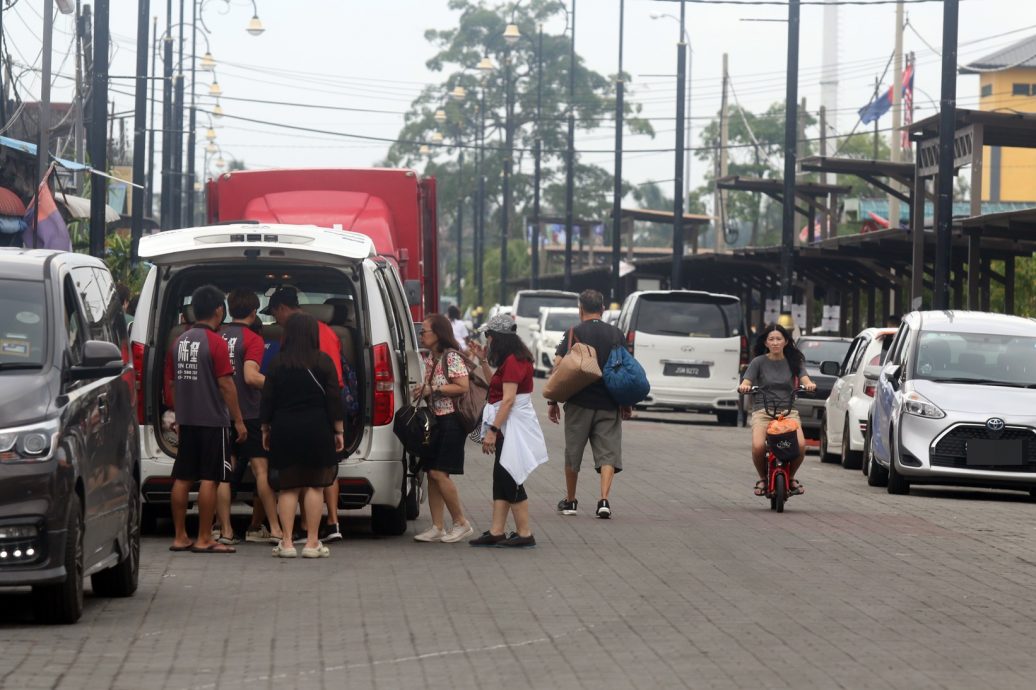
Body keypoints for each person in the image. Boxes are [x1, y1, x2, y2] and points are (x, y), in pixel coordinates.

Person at [165, 285, 247, 554]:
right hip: (212, 421)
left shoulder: (180, 341)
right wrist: (238, 421)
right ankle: (203, 538)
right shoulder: (216, 343)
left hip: (186, 420)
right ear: (219, 310)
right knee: (210, 479)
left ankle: (180, 536)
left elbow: (173, 383)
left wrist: (178, 414)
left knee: (183, 477)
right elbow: (226, 385)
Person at [261, 287, 345, 543]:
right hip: (318, 426)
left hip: (285, 427)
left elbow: (268, 398)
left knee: (287, 487)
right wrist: (338, 430)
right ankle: (313, 541)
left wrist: (265, 428)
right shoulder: (323, 360)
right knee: (316, 484)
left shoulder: (278, 362)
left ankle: (286, 542)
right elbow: (334, 395)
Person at [548, 289, 630, 519]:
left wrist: (553, 400)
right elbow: (624, 368)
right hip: (609, 403)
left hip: (579, 403)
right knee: (608, 454)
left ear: (580, 308)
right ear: (602, 309)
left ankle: (571, 501)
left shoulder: (574, 332)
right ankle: (603, 500)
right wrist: (626, 402)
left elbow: (558, 365)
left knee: (573, 453)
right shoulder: (616, 334)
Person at [467, 315, 547, 547]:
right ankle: (497, 530)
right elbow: (497, 387)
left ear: (497, 337)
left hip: (511, 425)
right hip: (509, 424)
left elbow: (508, 400)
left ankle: (525, 533)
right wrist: (483, 361)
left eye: (488, 336)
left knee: (510, 475)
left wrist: (493, 430)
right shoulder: (513, 359)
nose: (487, 340)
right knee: (501, 476)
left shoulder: (513, 361)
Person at [215, 289, 283, 546]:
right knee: (261, 471)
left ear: (229, 310)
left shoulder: (217, 336)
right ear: (255, 312)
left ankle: (225, 531)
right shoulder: (252, 339)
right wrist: (279, 385)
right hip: (251, 413)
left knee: (224, 473)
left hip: (221, 414)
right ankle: (275, 528)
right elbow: (251, 377)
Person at [411, 313, 474, 543]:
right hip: (437, 419)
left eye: (424, 331)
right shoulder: (431, 357)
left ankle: (461, 522)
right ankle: (437, 526)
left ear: (438, 334)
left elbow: (462, 386)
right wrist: (424, 388)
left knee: (439, 472)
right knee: (431, 473)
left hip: (452, 421)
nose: (421, 335)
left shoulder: (451, 357)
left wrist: (433, 389)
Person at [737, 323, 817, 497]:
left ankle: (791, 477)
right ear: (765, 343)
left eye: (778, 339)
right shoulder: (758, 362)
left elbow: (805, 378)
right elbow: (746, 381)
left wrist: (809, 385)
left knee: (801, 447)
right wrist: (745, 386)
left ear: (786, 342)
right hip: (762, 411)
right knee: (758, 447)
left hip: (788, 412)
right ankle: (763, 479)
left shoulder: (794, 362)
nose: (775, 342)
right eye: (771, 339)